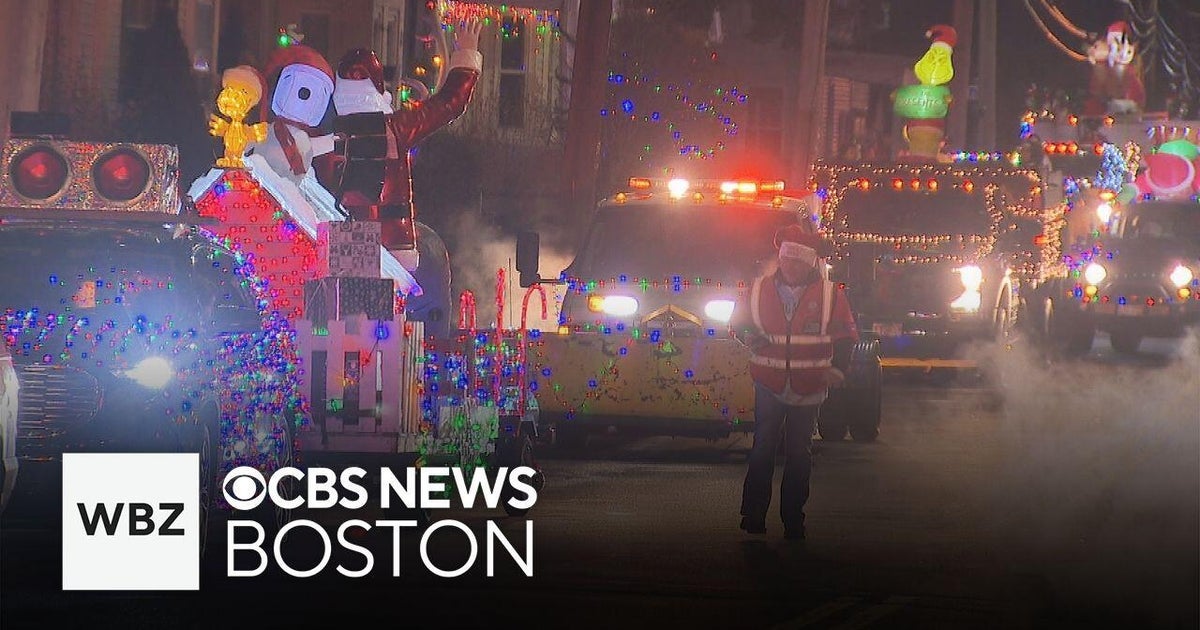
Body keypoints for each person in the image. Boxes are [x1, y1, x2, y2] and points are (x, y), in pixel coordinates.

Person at [729, 226, 859, 540]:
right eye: (786, 260)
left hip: (809, 385)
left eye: (797, 262)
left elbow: (845, 337)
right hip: (769, 381)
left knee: (799, 454)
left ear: (810, 263)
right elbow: (738, 323)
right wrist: (749, 337)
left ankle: (793, 520)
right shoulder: (758, 289)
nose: (790, 266)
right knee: (763, 450)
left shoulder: (831, 295)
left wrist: (838, 370)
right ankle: (754, 516)